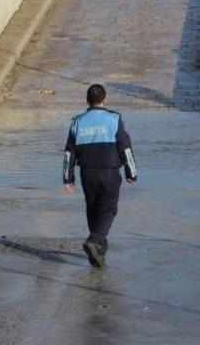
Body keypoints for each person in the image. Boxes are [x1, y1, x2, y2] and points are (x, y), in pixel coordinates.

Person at [62, 83, 137, 268]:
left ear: (87, 101)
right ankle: (95, 240)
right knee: (109, 209)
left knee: (93, 208)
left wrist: (68, 177)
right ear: (105, 99)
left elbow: (69, 153)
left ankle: (98, 252)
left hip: (87, 173)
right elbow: (125, 147)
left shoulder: (77, 121)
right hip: (109, 172)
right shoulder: (114, 119)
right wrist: (131, 172)